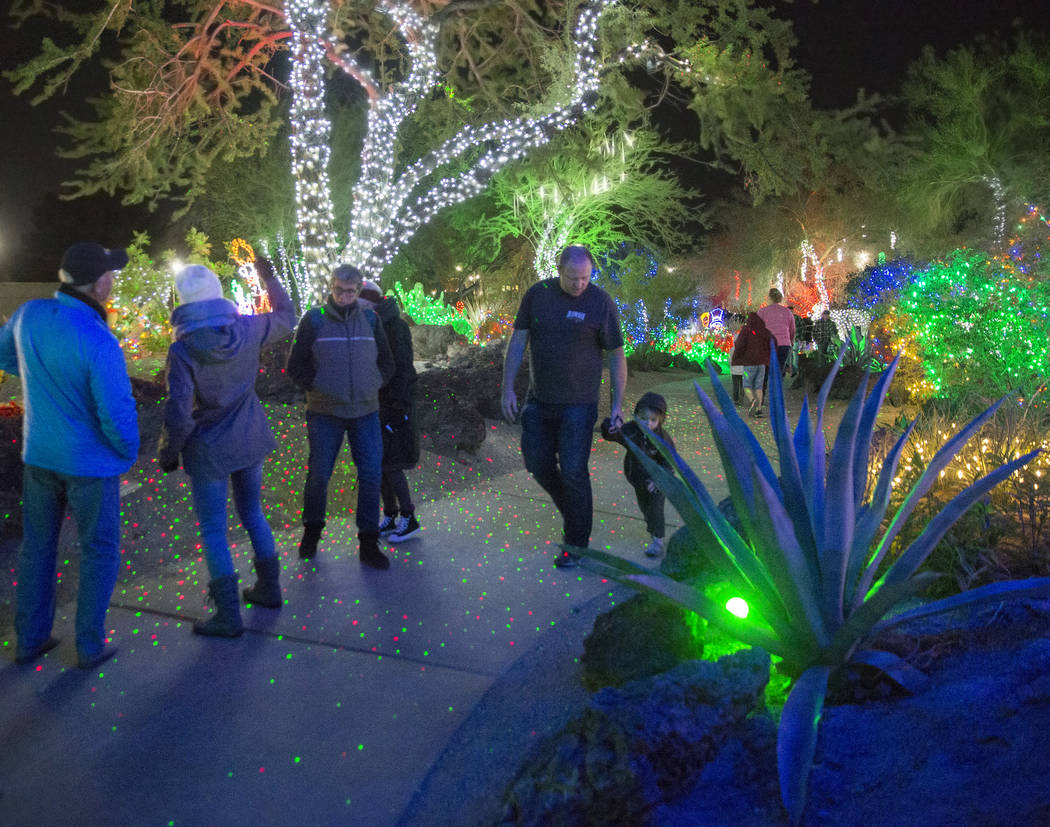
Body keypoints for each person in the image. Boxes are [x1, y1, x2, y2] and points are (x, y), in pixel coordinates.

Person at [0, 243, 138, 668]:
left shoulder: (28, 315)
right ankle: (89, 644)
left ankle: (30, 640)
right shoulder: (98, 339)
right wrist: (128, 452)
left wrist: (42, 377)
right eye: (110, 275)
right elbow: (115, 413)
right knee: (99, 549)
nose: (113, 281)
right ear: (99, 283)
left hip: (40, 456)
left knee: (38, 548)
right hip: (91, 466)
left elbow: (6, 354)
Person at [158, 260, 296, 637]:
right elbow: (288, 315)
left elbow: (179, 412)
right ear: (218, 294)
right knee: (253, 512)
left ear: (183, 301)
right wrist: (270, 277)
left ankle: (228, 614)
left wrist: (169, 452)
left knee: (214, 531)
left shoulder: (184, 351)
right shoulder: (248, 329)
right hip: (249, 437)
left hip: (209, 451)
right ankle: (269, 587)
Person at [501, 245, 627, 568]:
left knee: (573, 471)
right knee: (537, 464)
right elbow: (518, 341)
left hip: (579, 405)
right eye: (572, 278)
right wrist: (507, 389)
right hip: (539, 401)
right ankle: (574, 510)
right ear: (559, 271)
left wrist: (616, 406)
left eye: (585, 278)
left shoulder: (600, 302)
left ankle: (576, 543)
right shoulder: (537, 295)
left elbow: (616, 355)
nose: (579, 285)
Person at [287, 265, 395, 569]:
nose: (345, 297)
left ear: (359, 290)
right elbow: (295, 364)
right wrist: (318, 385)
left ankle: (369, 542)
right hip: (325, 412)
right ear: (331, 287)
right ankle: (312, 532)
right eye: (339, 290)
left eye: (351, 291)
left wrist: (373, 383)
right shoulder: (315, 320)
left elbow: (387, 361)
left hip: (365, 411)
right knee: (320, 475)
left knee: (371, 475)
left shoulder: (371, 320)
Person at [359, 282, 421, 544]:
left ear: (370, 303)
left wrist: (398, 406)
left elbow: (403, 367)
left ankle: (409, 516)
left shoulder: (394, 327)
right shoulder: (371, 325)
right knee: (379, 463)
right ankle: (391, 513)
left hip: (392, 403)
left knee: (393, 463)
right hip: (375, 402)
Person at [600, 392, 676, 558]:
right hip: (638, 479)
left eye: (653, 420)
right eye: (643, 418)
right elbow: (616, 435)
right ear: (636, 415)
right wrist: (609, 427)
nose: (647, 423)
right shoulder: (632, 430)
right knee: (645, 508)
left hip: (657, 481)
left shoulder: (662, 439)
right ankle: (652, 529)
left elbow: (669, 462)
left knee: (655, 508)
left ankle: (657, 541)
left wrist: (659, 480)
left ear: (660, 420)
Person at [731, 312, 773, 419]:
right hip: (762, 363)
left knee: (747, 385)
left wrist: (738, 356)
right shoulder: (764, 331)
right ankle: (759, 410)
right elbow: (770, 344)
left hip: (749, 363)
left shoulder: (746, 330)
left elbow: (739, 344)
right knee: (759, 387)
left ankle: (752, 400)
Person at [757, 287, 795, 380]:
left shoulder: (762, 311)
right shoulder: (787, 312)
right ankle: (778, 389)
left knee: (767, 368)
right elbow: (792, 329)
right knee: (779, 368)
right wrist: (791, 341)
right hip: (784, 344)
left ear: (769, 298)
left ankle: (767, 389)